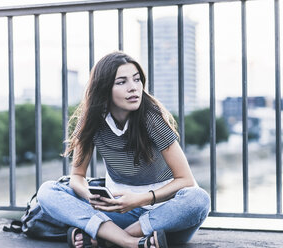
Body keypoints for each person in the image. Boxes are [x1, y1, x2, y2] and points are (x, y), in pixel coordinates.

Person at [37, 51, 210, 248]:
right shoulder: (91, 120)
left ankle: (104, 239)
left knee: (199, 200)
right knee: (47, 192)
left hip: (161, 217)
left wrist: (140, 200)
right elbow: (77, 175)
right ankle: (129, 242)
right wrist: (92, 197)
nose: (133, 88)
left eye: (137, 80)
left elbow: (186, 180)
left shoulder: (152, 118)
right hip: (117, 212)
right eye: (122, 82)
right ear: (104, 89)